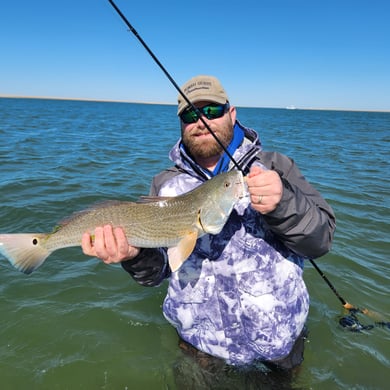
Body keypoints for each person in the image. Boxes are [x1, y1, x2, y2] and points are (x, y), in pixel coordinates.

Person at [81, 75, 336, 371]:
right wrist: (132, 256)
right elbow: (157, 272)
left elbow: (321, 241)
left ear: (232, 113)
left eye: (212, 111)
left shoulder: (276, 166)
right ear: (181, 124)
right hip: (200, 349)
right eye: (190, 114)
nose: (201, 121)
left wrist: (284, 203)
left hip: (278, 346)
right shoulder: (165, 185)